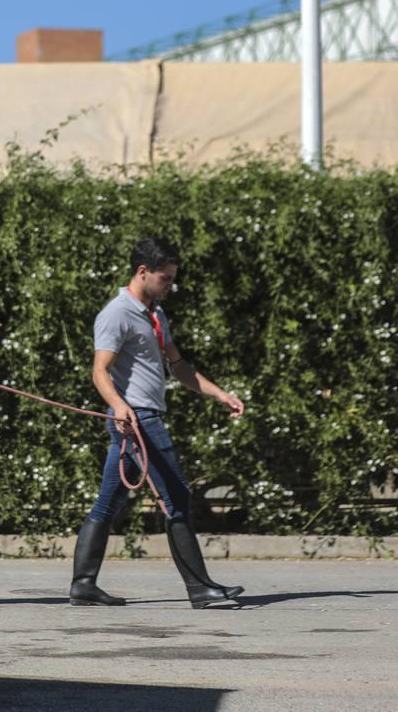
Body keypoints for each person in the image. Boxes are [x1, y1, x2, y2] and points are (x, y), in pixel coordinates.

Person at [70, 237, 246, 609]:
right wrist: (118, 406)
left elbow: (178, 367)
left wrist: (220, 394)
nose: (170, 285)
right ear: (142, 272)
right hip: (136, 418)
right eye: (165, 278)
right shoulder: (116, 313)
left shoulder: (155, 313)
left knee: (109, 502)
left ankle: (83, 585)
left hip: (142, 416)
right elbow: (99, 371)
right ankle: (200, 588)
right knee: (176, 497)